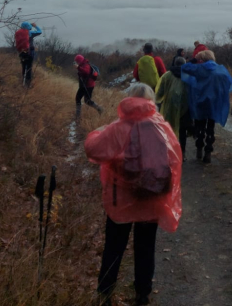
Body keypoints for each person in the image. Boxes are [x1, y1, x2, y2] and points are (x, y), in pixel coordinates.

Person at [84, 83, 182, 306]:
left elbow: (93, 150)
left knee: (114, 247)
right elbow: (174, 160)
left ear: (129, 99)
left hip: (122, 201)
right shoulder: (161, 127)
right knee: (145, 247)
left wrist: (97, 132)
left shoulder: (119, 127)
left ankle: (105, 294)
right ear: (150, 101)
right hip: (152, 198)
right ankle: (142, 294)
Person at [181, 50, 232, 163]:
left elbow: (184, 68)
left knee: (200, 125)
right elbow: (227, 84)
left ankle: (199, 147)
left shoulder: (199, 69)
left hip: (200, 102)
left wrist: (193, 60)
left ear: (201, 59)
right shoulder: (221, 69)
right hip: (214, 103)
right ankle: (208, 151)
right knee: (210, 127)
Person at [155, 56, 190, 157]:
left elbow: (160, 92)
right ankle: (182, 152)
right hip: (185, 106)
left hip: (169, 106)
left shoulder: (167, 75)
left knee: (169, 128)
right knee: (183, 130)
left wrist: (157, 100)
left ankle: (169, 151)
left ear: (175, 63)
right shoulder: (188, 75)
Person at [74, 53, 104, 117]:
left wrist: (78, 68)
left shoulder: (86, 65)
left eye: (77, 61)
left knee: (87, 101)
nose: (76, 62)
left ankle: (99, 109)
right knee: (78, 98)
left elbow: (86, 72)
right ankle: (77, 116)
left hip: (88, 86)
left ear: (79, 61)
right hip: (83, 85)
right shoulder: (83, 64)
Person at [14, 22, 42, 88]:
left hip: (21, 52)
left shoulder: (18, 33)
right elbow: (40, 31)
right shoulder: (30, 33)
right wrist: (35, 26)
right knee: (29, 67)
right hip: (29, 52)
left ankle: (23, 82)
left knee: (24, 67)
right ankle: (28, 84)